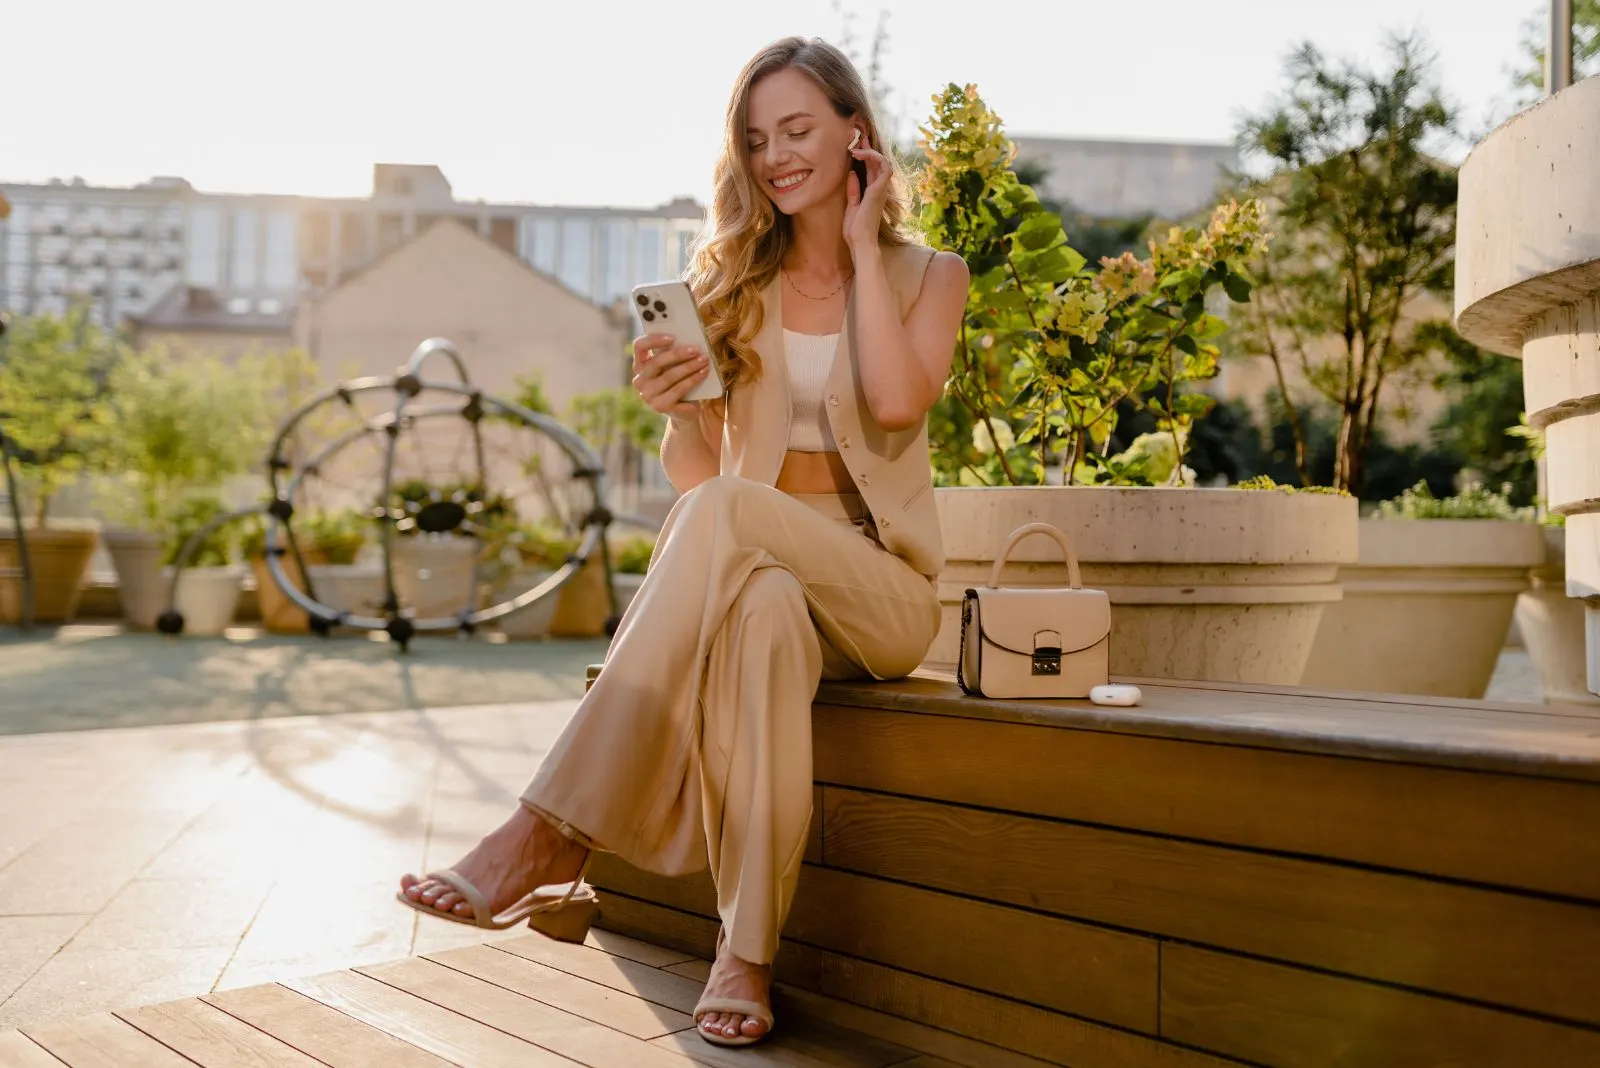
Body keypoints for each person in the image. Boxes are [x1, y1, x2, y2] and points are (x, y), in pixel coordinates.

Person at [397, 35, 967, 1049]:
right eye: (756, 139)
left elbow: (892, 397)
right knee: (761, 626)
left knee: (727, 535)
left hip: (881, 594)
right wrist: (677, 413)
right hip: (758, 577)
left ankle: (550, 828)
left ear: (855, 134)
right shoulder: (730, 286)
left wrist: (865, 238)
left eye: (798, 130)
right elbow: (710, 484)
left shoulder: (930, 277)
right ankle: (742, 957)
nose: (776, 156)